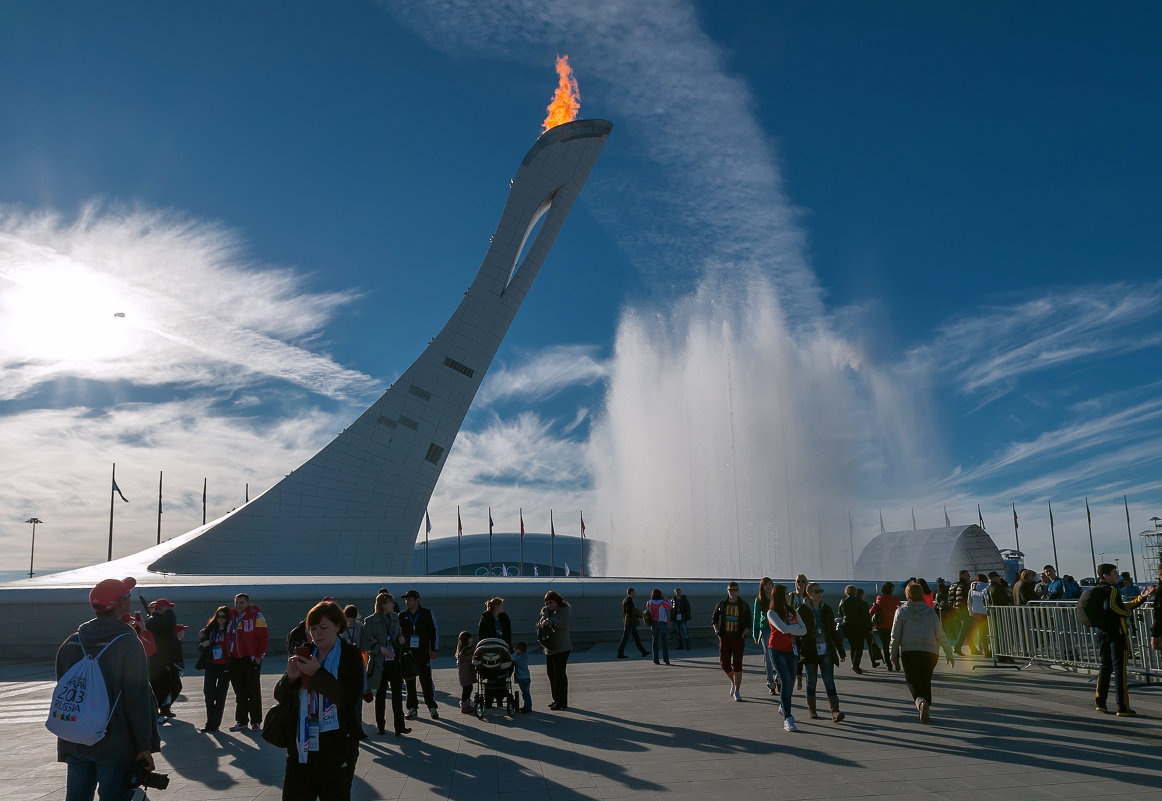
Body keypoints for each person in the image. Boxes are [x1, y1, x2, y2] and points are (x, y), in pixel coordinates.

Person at [55, 576, 160, 801]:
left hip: (76, 737)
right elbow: (137, 697)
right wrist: (144, 745)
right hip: (115, 743)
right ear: (122, 603)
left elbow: (64, 688)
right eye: (128, 596)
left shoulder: (72, 641)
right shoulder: (128, 643)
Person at [274, 601, 366, 801]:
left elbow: (347, 697)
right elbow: (281, 696)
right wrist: (289, 679)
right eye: (313, 628)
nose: (317, 633)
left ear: (338, 626)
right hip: (302, 745)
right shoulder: (305, 652)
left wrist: (317, 673)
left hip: (337, 745)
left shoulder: (350, 655)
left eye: (323, 628)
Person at [1091, 563, 1155, 715]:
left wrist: (1141, 598)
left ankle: (1100, 701)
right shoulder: (1112, 589)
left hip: (1102, 632)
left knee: (1105, 666)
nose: (1117, 574)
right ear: (1105, 576)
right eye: (1114, 572)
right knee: (1120, 670)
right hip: (1117, 633)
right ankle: (1122, 706)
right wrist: (1126, 614)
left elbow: (1116, 606)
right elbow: (1113, 607)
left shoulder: (1097, 589)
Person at [890, 582, 955, 723]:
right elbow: (940, 634)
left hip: (910, 651)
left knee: (912, 681)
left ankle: (920, 702)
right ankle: (925, 705)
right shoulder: (930, 611)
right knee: (925, 680)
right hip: (930, 652)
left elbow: (895, 636)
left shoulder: (901, 611)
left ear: (907, 595)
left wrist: (893, 655)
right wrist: (949, 653)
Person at [359, 593, 409, 737]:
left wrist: (400, 637)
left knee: (398, 695)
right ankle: (381, 726)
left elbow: (399, 632)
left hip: (394, 661)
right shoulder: (370, 621)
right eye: (390, 602)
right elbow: (364, 644)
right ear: (383, 604)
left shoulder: (395, 617)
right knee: (380, 696)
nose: (393, 604)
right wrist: (379, 649)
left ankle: (400, 726)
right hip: (379, 663)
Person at [797, 583, 847, 722]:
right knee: (811, 681)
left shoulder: (826, 609)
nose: (820, 593)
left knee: (829, 681)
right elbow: (796, 632)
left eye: (821, 591)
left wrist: (841, 651)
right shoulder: (801, 610)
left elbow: (832, 631)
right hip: (809, 651)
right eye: (816, 591)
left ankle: (835, 711)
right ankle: (812, 710)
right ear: (809, 593)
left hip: (826, 651)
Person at [766, 583, 806, 731]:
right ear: (779, 595)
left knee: (790, 682)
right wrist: (794, 628)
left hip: (792, 650)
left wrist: (792, 629)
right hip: (776, 650)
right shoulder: (772, 613)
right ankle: (788, 718)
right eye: (786, 593)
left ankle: (783, 706)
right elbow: (783, 629)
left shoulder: (793, 611)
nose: (789, 595)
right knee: (786, 681)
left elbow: (805, 630)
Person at [228, 592, 269, 732]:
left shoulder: (256, 615)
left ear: (248, 603)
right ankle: (241, 721)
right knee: (240, 692)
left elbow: (264, 638)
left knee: (253, 691)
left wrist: (258, 657)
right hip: (235, 659)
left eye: (242, 602)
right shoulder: (231, 616)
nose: (239, 605)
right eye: (237, 602)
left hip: (250, 659)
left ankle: (256, 722)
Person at [398, 589, 440, 719]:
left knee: (426, 680)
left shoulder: (427, 613)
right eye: (406, 599)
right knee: (409, 680)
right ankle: (412, 707)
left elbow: (434, 631)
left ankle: (432, 706)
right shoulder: (401, 616)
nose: (407, 602)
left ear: (417, 600)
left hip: (423, 652)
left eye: (409, 599)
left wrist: (434, 649)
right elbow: (398, 634)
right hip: (407, 653)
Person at [139, 594, 178, 721]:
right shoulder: (155, 621)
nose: (170, 611)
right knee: (161, 688)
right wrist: (165, 662)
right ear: (160, 609)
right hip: (159, 661)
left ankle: (162, 709)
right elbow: (163, 640)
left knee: (169, 686)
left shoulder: (156, 620)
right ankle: (158, 712)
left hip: (161, 660)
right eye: (168, 608)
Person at [711, 581, 751, 701]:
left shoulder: (743, 605)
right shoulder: (722, 604)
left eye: (734, 590)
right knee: (724, 664)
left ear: (738, 591)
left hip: (738, 638)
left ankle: (737, 691)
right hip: (725, 638)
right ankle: (734, 682)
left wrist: (743, 635)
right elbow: (714, 619)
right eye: (730, 590)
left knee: (738, 664)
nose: (732, 592)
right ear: (727, 591)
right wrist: (717, 631)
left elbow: (748, 623)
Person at [198, 606, 232, 732]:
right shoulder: (210, 629)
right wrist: (203, 644)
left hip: (225, 666)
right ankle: (209, 722)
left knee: (220, 696)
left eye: (223, 617)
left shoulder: (231, 630)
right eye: (218, 616)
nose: (220, 619)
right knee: (208, 694)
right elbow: (200, 645)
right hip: (211, 665)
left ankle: (215, 724)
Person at [538, 591, 572, 710]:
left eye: (551, 602)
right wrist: (541, 624)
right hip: (551, 647)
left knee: (559, 674)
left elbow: (563, 623)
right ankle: (556, 699)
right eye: (547, 603)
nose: (549, 605)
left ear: (557, 601)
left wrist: (551, 621)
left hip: (562, 647)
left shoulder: (564, 609)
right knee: (551, 674)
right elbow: (543, 621)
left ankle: (562, 702)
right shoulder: (546, 611)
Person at [838, 585, 872, 674]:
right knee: (859, 646)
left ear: (846, 592)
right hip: (858, 626)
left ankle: (854, 663)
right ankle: (856, 665)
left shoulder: (843, 602)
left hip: (847, 626)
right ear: (855, 592)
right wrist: (868, 628)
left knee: (853, 645)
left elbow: (841, 613)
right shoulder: (861, 603)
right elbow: (865, 617)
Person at [752, 578, 777, 693]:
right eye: (765, 585)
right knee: (768, 655)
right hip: (766, 630)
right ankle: (770, 682)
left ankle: (779, 679)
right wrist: (755, 633)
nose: (768, 586)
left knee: (778, 654)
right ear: (762, 587)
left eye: (770, 584)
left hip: (777, 629)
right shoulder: (759, 600)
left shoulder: (776, 598)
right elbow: (756, 618)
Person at [869, 582, 900, 671]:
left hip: (882, 626)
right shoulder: (895, 599)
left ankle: (888, 664)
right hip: (894, 625)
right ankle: (896, 661)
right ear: (891, 590)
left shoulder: (879, 599)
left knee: (885, 645)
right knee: (895, 644)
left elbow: (871, 612)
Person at [616, 588, 649, 659]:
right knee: (625, 638)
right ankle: (620, 653)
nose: (635, 593)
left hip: (630, 623)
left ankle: (643, 652)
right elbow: (631, 611)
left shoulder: (626, 600)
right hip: (629, 623)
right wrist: (641, 615)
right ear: (631, 593)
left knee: (636, 638)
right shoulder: (628, 601)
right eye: (634, 592)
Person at [644, 589, 673, 665]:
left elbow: (648, 610)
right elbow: (670, 606)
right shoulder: (662, 602)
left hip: (653, 623)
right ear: (660, 595)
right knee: (664, 642)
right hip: (662, 623)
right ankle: (666, 660)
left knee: (655, 642)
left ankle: (656, 660)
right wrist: (666, 599)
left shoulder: (649, 603)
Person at [947, 570, 972, 654]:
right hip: (964, 609)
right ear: (963, 575)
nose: (969, 576)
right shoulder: (966, 586)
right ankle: (957, 647)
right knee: (965, 628)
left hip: (956, 610)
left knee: (966, 628)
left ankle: (972, 648)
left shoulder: (953, 585)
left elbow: (950, 598)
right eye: (967, 575)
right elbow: (968, 598)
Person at [966, 574, 990, 657]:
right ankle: (988, 651)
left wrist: (970, 613)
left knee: (979, 631)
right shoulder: (987, 587)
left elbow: (969, 602)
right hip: (986, 612)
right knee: (987, 632)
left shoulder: (971, 589)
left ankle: (981, 647)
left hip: (976, 613)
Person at [456, 632, 475, 713]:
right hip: (466, 673)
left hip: (464, 673)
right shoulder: (467, 649)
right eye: (471, 639)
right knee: (467, 688)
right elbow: (472, 658)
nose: (472, 640)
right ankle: (465, 706)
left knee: (468, 688)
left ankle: (466, 704)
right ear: (466, 639)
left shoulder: (462, 648)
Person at [512, 641, 532, 713]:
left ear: (519, 650)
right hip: (526, 677)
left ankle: (527, 707)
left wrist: (515, 653)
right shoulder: (525, 655)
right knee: (526, 692)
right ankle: (528, 706)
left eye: (516, 649)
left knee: (525, 693)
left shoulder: (520, 657)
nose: (515, 650)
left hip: (522, 677)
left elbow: (512, 658)